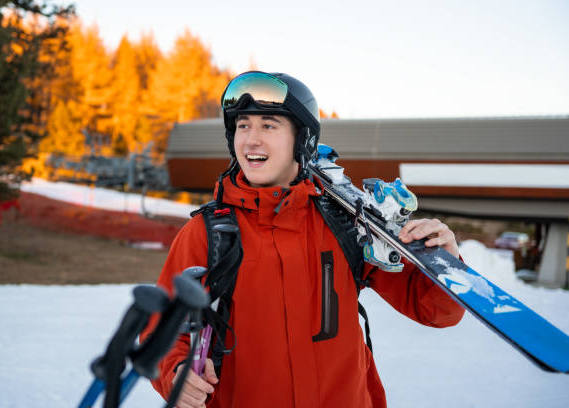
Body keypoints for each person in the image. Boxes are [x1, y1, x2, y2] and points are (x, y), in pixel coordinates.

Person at [141, 71, 465, 408]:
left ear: (302, 140)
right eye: (242, 126)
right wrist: (176, 372)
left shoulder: (345, 222)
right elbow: (161, 329)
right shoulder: (207, 234)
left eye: (269, 125)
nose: (251, 140)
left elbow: (435, 311)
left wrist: (446, 265)